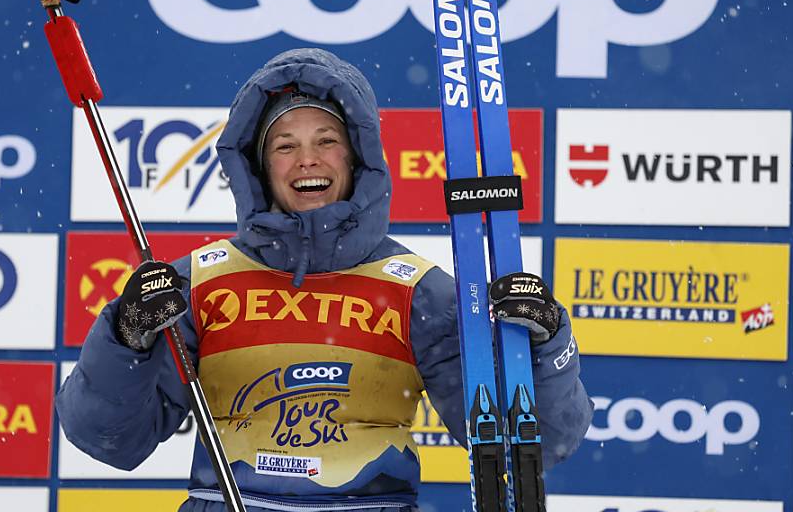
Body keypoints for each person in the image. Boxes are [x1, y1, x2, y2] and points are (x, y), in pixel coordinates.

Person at [56, 48, 592, 511]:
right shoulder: (198, 283)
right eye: (284, 145)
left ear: (357, 158)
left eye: (326, 140)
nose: (306, 160)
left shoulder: (417, 291)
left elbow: (530, 445)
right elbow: (110, 440)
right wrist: (125, 337)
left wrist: (545, 346)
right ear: (258, 167)